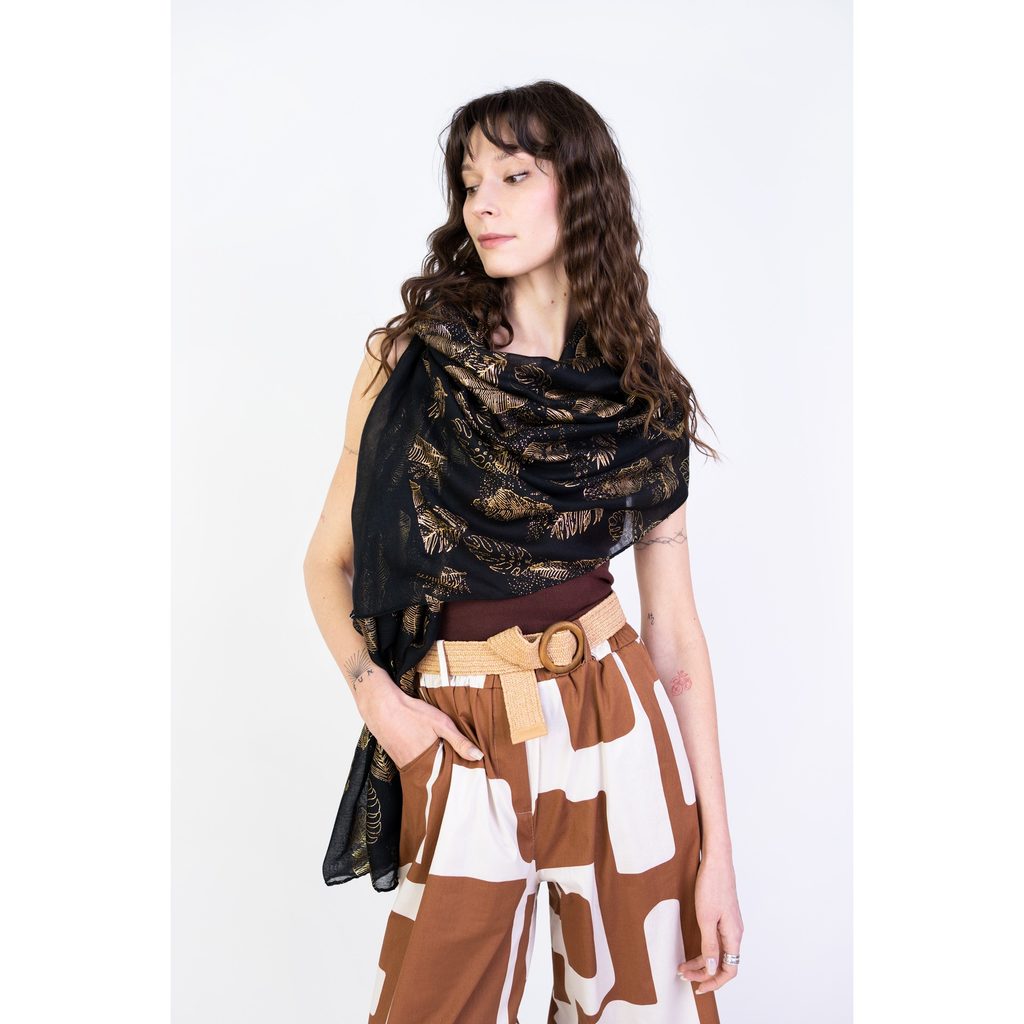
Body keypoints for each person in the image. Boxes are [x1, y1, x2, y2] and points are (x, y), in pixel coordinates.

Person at [303, 80, 742, 1023]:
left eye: (513, 175)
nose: (483, 205)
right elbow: (325, 563)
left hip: (614, 718)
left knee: (647, 1009)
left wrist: (717, 851)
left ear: (580, 190)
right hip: (459, 730)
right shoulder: (408, 362)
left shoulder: (641, 394)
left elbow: (675, 634)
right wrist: (376, 697)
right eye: (470, 183)